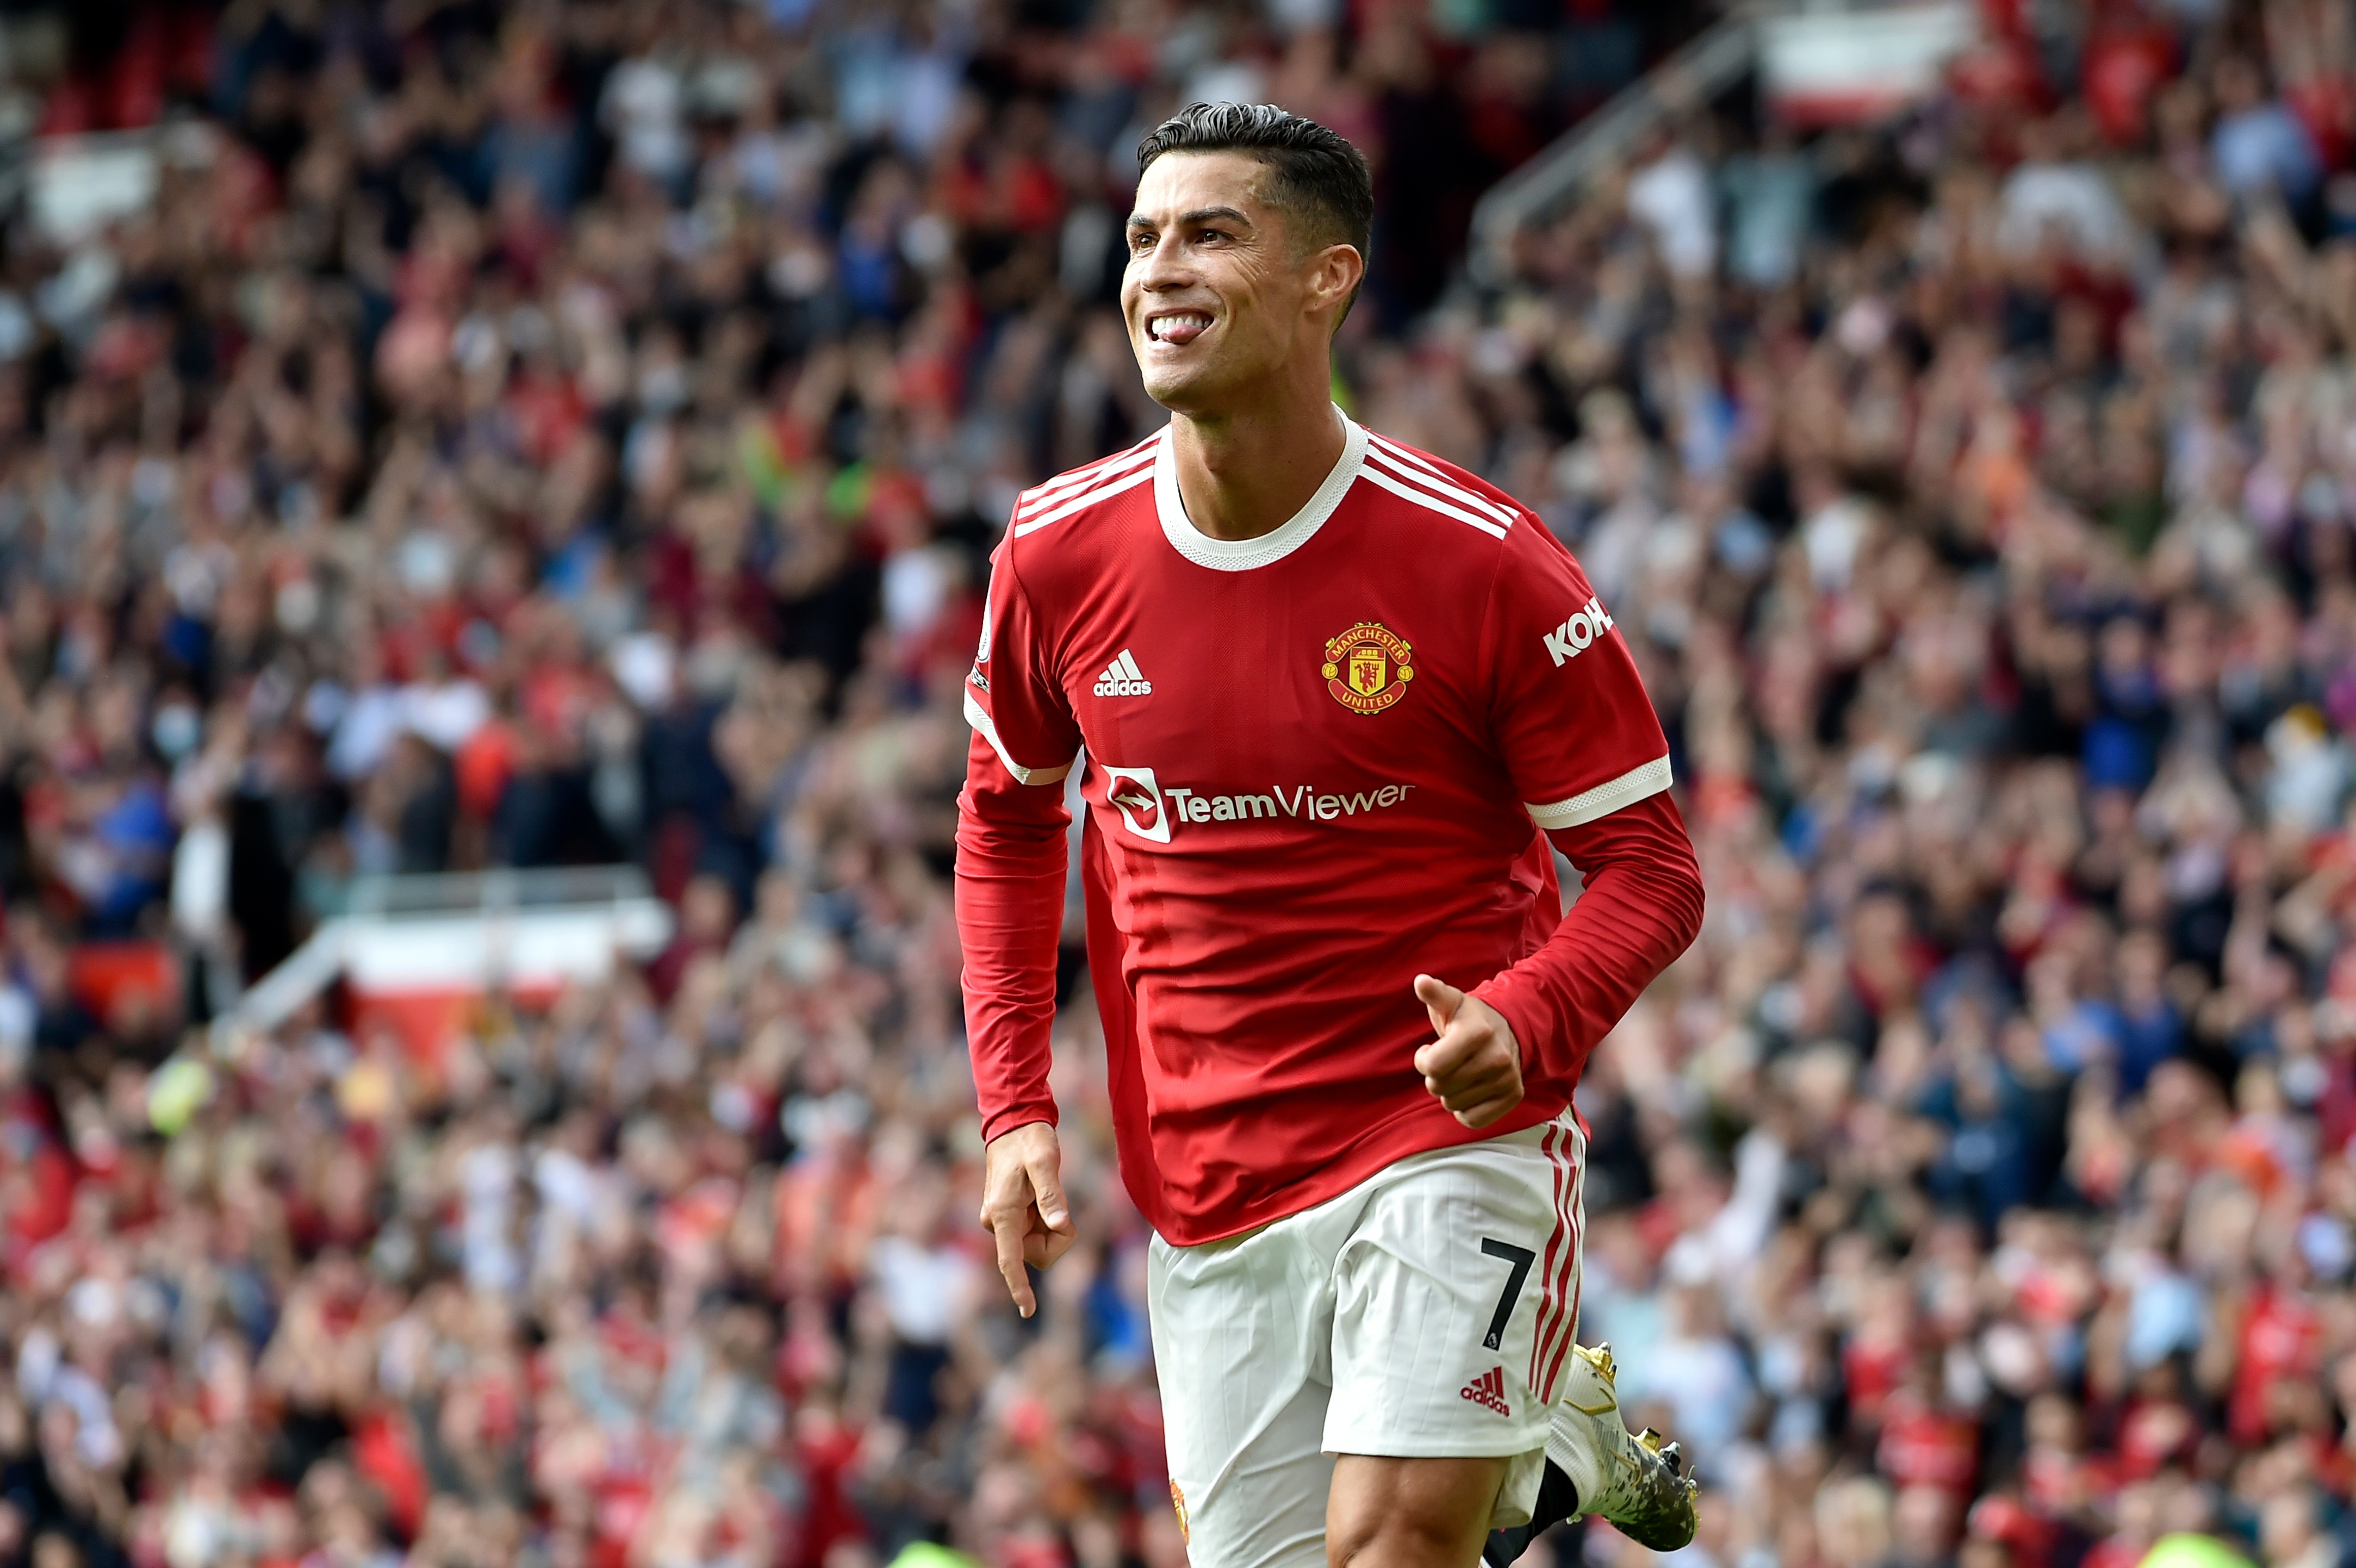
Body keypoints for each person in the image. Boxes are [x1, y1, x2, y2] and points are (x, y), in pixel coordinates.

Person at [953, 103, 1706, 1568]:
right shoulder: (1056, 553)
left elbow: (1652, 869)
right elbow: (1004, 821)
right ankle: (1550, 1447)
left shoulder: (1477, 561)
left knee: (1391, 1546)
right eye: (1143, 237)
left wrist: (1532, 1010)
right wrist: (1015, 1107)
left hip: (1449, 1129)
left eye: (1211, 232)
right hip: (1213, 1175)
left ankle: (1512, 1450)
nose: (1160, 270)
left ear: (1327, 278)